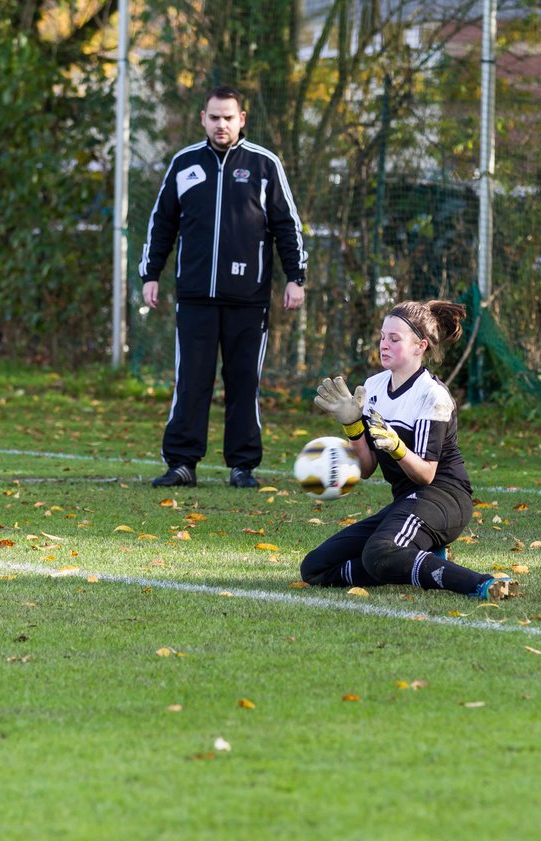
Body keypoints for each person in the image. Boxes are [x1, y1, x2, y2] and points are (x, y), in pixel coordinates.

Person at [140, 85, 307, 488]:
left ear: (242, 119)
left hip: (248, 299)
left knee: (243, 383)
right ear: (203, 118)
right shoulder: (184, 164)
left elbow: (287, 225)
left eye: (228, 117)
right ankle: (182, 463)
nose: (221, 124)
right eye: (214, 117)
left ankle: (242, 466)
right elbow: (162, 223)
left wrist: (295, 278)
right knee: (191, 382)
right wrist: (150, 273)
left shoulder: (265, 165)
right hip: (195, 297)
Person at [299, 300, 520, 601]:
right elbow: (365, 469)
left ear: (420, 346)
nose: (384, 344)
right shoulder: (373, 387)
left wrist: (398, 447)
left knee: (379, 552)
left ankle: (481, 583)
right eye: (381, 337)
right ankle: (420, 560)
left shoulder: (433, 395)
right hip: (407, 502)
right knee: (314, 567)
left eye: (394, 338)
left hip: (444, 497)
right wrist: (352, 425)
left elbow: (426, 475)